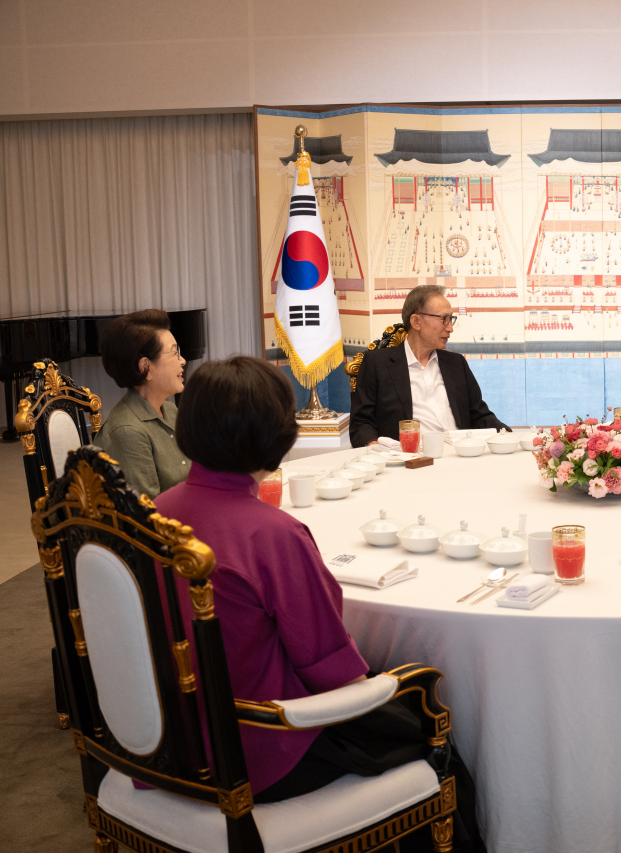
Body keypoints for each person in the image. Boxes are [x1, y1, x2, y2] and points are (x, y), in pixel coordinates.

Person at [155, 357, 481, 848]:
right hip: (258, 747)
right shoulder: (272, 534)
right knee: (437, 737)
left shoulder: (158, 511)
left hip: (166, 736)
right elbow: (334, 672)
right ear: (277, 434)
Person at [350, 284, 508, 447]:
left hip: (460, 455)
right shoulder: (378, 364)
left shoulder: (456, 363)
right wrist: (376, 449)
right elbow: (361, 423)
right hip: (409, 460)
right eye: (444, 319)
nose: (450, 328)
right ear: (416, 321)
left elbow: (480, 416)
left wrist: (507, 435)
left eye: (451, 319)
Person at [94, 309, 189, 497]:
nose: (183, 361)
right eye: (174, 353)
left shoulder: (170, 410)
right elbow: (146, 517)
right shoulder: (127, 431)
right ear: (146, 367)